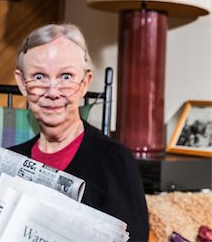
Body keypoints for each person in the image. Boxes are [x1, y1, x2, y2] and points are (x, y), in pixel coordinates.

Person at [9, 23, 149, 241]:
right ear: (21, 83)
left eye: (66, 77)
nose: (52, 92)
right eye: (39, 77)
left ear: (85, 83)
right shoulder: (9, 159)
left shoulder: (115, 160)